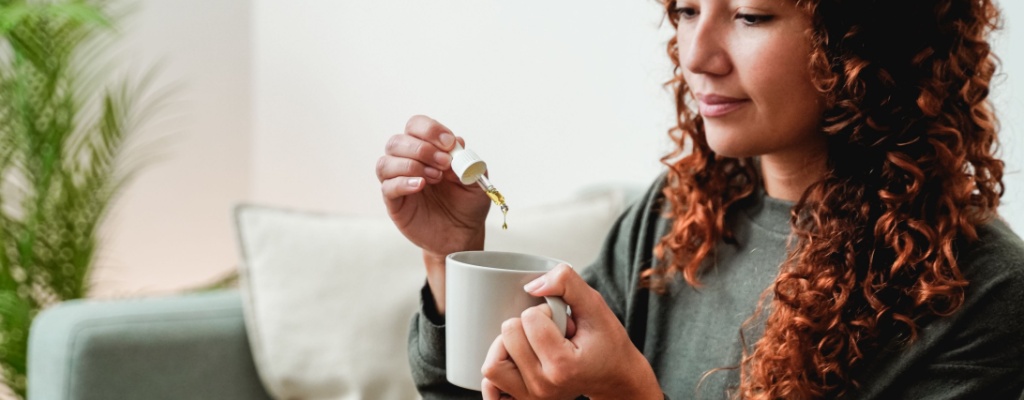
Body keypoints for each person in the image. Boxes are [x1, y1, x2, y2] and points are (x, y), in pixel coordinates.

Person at [375, 0, 1024, 398]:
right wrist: (453, 261)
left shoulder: (977, 290)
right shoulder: (676, 216)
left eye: (749, 15)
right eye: (686, 9)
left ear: (863, 36)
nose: (696, 54)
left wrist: (627, 393)